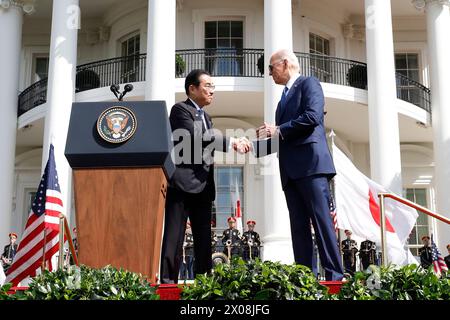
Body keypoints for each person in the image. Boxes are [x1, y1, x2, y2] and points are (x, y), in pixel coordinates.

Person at [255, 49, 343, 281]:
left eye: (271, 68)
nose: (270, 73)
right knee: (298, 228)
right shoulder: (281, 99)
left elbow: (313, 117)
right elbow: (282, 138)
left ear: (284, 64)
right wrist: (252, 146)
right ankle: (306, 277)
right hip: (290, 172)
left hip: (311, 166)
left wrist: (279, 129)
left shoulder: (309, 84)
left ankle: (334, 276)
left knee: (322, 221)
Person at [159, 69, 251, 284]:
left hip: (203, 187)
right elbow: (196, 136)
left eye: (213, 86)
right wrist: (232, 142)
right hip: (181, 185)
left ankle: (204, 284)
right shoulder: (180, 110)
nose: (212, 91)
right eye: (208, 85)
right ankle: (167, 284)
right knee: (174, 237)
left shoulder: (207, 117)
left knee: (204, 240)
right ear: (192, 88)